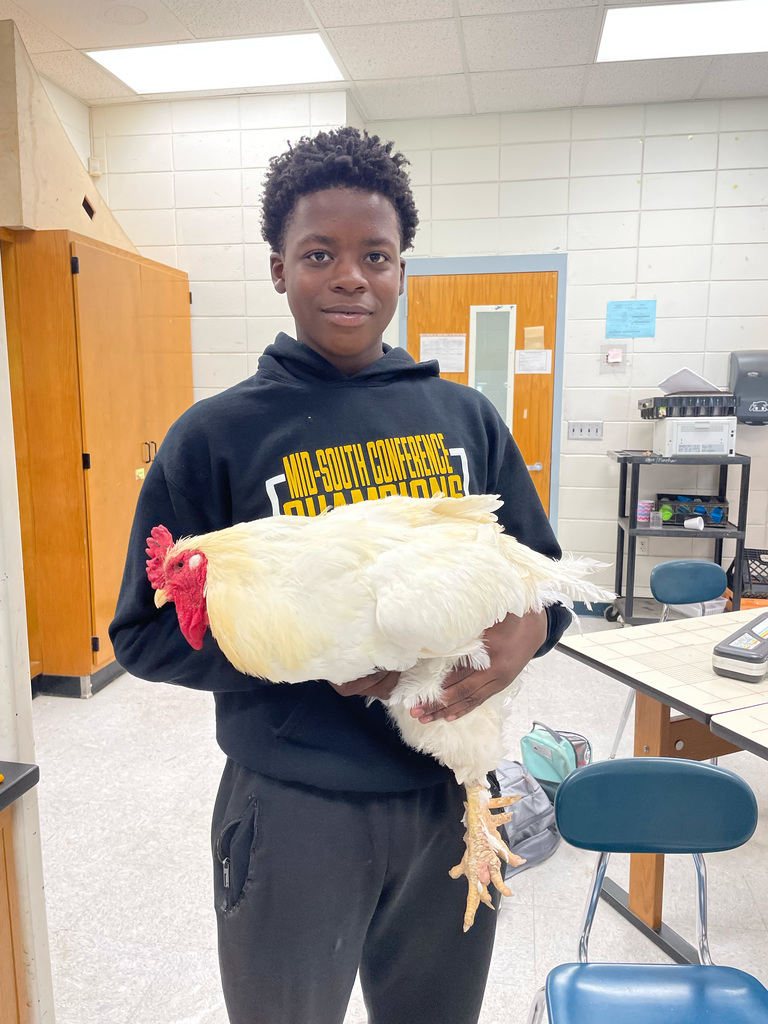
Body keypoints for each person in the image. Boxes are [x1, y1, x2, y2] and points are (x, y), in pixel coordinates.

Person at [109, 126, 571, 1024]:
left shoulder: (464, 418)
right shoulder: (216, 436)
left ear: (402, 270)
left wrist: (523, 642)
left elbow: (540, 576)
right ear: (279, 268)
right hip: (295, 806)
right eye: (319, 254)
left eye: (376, 255)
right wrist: (305, 652)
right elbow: (142, 630)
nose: (350, 276)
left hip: (449, 793)